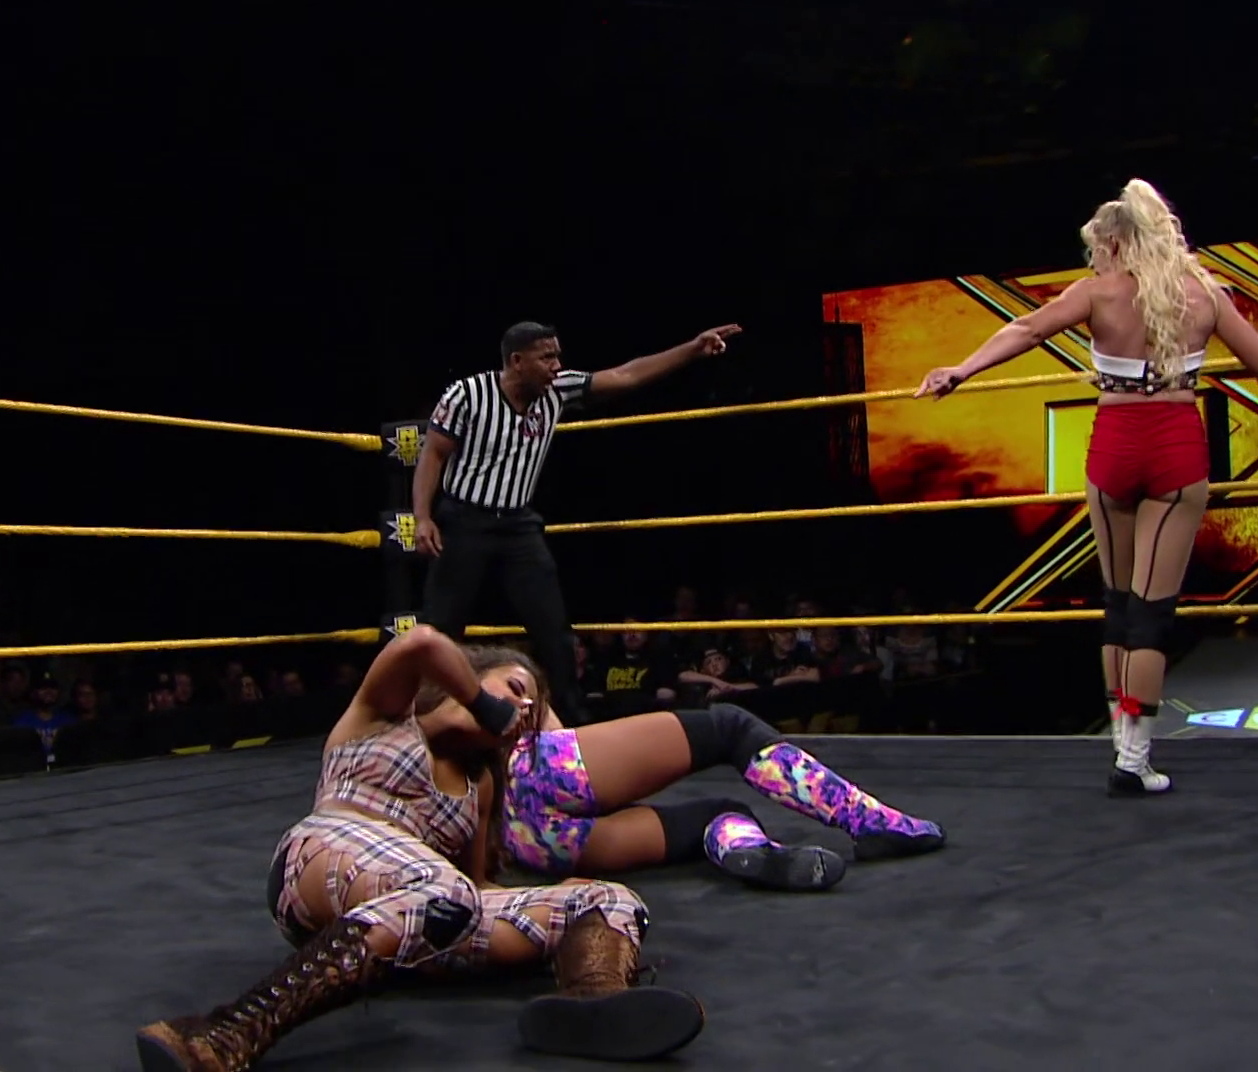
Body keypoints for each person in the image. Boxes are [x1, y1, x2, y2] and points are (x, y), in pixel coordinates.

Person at [134, 627, 705, 1072]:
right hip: (326, 850)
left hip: (420, 902)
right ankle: (223, 1034)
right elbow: (421, 643)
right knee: (440, 890)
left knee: (607, 899)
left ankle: (593, 1003)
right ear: (470, 677)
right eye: (515, 690)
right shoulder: (386, 716)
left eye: (530, 709)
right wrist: (483, 705)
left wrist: (553, 899)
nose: (522, 710)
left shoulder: (481, 785)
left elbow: (477, 890)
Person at [915, 178, 1258, 797]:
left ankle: (1124, 743)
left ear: (1114, 244)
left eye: (1096, 247)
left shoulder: (1096, 293)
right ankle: (1134, 758)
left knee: (1119, 604)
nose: (1093, 258)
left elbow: (1027, 330)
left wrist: (961, 370)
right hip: (1174, 446)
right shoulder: (1204, 295)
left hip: (1115, 444)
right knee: (1150, 611)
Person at [413, 320, 742, 726]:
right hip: (464, 520)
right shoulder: (468, 394)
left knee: (554, 632)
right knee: (441, 627)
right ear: (517, 361)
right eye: (546, 357)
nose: (556, 365)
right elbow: (433, 453)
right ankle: (420, 717)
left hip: (518, 525)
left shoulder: (558, 389)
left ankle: (570, 723)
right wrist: (423, 517)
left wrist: (691, 348)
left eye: (557, 356)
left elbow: (627, 374)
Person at [504, 702, 944, 892]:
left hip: (533, 844)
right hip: (526, 773)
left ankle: (745, 847)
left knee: (720, 814)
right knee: (728, 728)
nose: (523, 702)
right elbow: (552, 750)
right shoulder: (481, 702)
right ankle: (868, 819)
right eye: (512, 685)